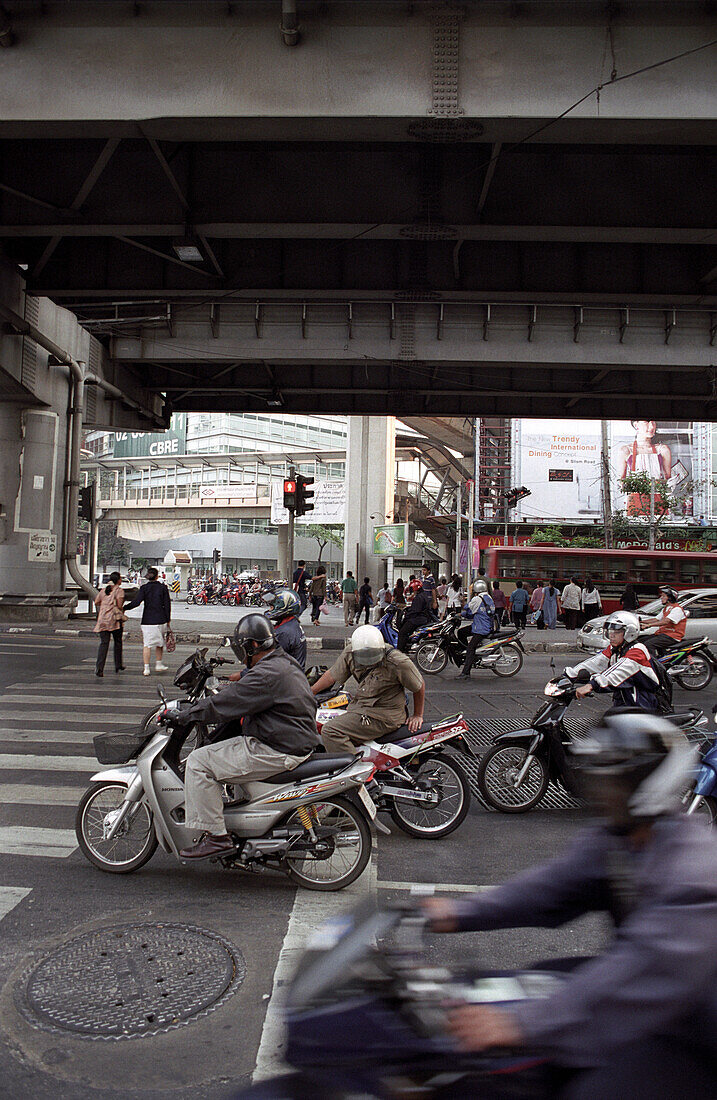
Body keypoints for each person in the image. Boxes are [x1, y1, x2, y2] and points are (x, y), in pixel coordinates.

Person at [424, 711, 717, 1098]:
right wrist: (457, 913)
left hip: (692, 1031)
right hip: (642, 999)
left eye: (613, 783)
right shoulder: (618, 840)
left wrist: (523, 1024)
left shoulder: (692, 876)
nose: (601, 794)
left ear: (647, 786)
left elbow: (646, 968)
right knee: (518, 984)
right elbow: (547, 888)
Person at [169, 615, 319, 859]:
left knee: (199, 762)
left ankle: (217, 837)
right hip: (291, 739)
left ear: (252, 647)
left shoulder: (266, 674)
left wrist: (187, 713)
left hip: (277, 747)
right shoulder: (283, 662)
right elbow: (242, 695)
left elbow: (225, 703)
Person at [311, 625, 425, 752]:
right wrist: (309, 692)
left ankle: (354, 769)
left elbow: (418, 686)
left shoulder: (398, 662)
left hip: (383, 716)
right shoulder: (351, 653)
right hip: (361, 707)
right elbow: (332, 675)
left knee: (331, 731)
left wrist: (417, 715)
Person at [564, 610, 665, 712]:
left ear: (629, 632)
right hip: (624, 701)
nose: (611, 635)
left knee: (606, 725)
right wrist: (570, 675)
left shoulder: (637, 651)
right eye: (610, 631)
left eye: (616, 632)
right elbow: (596, 662)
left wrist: (591, 685)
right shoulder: (616, 649)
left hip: (641, 704)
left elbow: (616, 672)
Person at [123, 566, 171, 676]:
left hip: (147, 620)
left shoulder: (144, 588)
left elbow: (136, 602)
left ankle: (146, 668)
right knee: (160, 643)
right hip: (161, 619)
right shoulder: (163, 588)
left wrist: (125, 608)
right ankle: (158, 664)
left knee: (147, 644)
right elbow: (167, 605)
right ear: (157, 576)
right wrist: (168, 619)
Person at [455, 579, 495, 680]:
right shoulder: (488, 597)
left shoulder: (477, 599)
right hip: (485, 625)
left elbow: (468, 610)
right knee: (461, 632)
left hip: (481, 629)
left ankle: (466, 672)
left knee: (471, 648)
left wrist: (459, 614)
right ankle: (465, 652)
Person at [93, 571, 126, 677]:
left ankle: (99, 668)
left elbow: (97, 602)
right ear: (119, 580)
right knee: (117, 642)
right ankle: (118, 664)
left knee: (104, 644)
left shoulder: (104, 590)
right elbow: (120, 606)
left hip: (102, 620)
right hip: (114, 620)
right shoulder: (119, 591)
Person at [264, 589, 307, 668]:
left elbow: (267, 661)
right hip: (293, 672)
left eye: (271, 607)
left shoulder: (284, 632)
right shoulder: (292, 623)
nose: (269, 610)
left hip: (287, 677)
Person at [640, 586, 687, 657]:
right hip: (663, 634)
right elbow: (656, 619)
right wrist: (641, 622)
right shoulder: (666, 609)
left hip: (672, 636)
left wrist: (649, 625)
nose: (661, 598)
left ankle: (653, 665)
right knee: (640, 641)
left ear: (670, 598)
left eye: (663, 596)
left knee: (648, 644)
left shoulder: (677, 609)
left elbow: (666, 621)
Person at [396, 582, 432, 652]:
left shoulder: (418, 597)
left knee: (402, 632)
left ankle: (400, 651)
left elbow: (415, 611)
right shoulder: (423, 595)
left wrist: (407, 615)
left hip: (417, 619)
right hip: (423, 618)